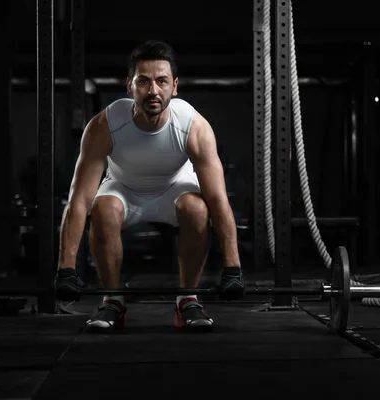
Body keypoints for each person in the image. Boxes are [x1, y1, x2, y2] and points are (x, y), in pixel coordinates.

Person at [54, 40, 244, 332]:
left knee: (197, 207)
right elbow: (78, 200)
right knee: (101, 208)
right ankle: (112, 301)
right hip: (123, 189)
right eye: (144, 81)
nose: (153, 90)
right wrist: (65, 269)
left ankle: (187, 300)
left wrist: (233, 267)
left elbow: (218, 199)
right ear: (130, 86)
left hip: (175, 188)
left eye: (161, 81)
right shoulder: (105, 125)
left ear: (174, 86)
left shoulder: (193, 126)